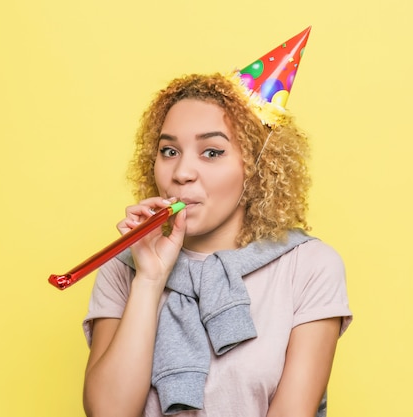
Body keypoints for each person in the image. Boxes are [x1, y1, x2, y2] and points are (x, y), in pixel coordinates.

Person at [82, 28, 352, 417]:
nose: (182, 172)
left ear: (257, 166)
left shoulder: (309, 267)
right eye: (169, 150)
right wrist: (150, 281)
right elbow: (108, 412)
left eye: (211, 152)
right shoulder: (125, 266)